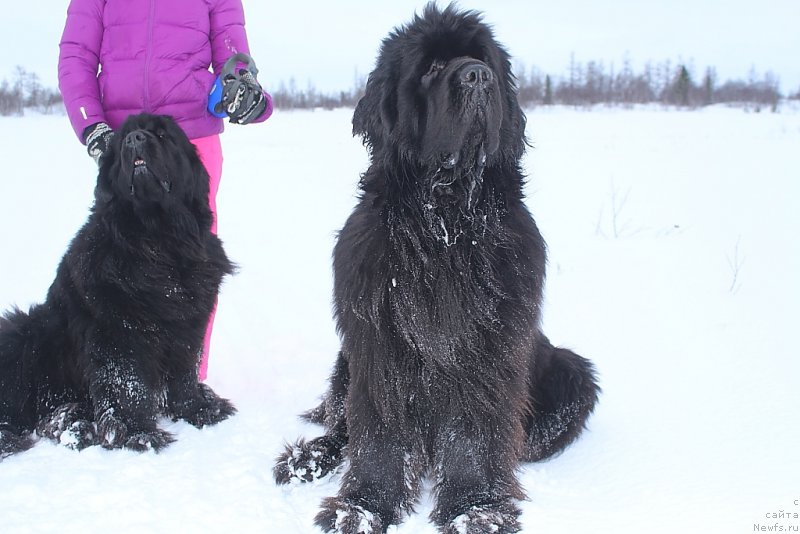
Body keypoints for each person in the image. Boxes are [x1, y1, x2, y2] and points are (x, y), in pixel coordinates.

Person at [58, 0, 273, 381]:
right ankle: (122, 373)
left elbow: (233, 55)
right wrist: (92, 125)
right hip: (123, 142)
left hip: (188, 141)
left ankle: (184, 378)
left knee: (191, 258)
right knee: (117, 255)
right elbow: (76, 56)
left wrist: (242, 87)